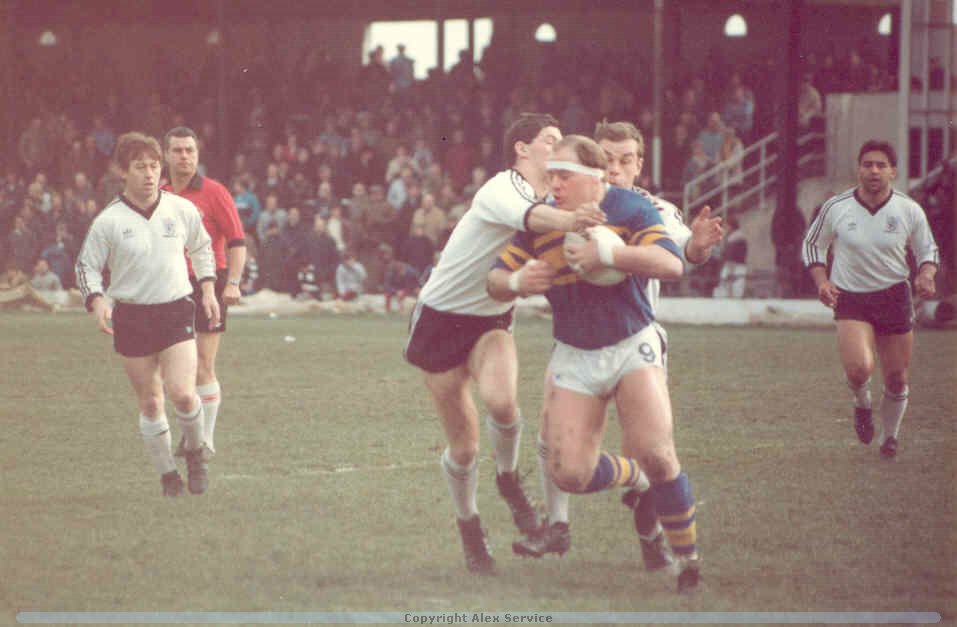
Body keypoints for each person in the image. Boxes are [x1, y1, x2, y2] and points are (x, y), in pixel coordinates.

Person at [488, 135, 702, 593]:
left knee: (658, 452)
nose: (554, 184)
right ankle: (637, 479)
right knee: (569, 473)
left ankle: (688, 563)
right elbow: (495, 279)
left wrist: (610, 254)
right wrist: (517, 281)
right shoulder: (544, 221)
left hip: (631, 344)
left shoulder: (630, 208)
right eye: (551, 176)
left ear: (595, 177)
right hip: (574, 353)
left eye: (564, 175)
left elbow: (671, 264)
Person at [404, 113, 606, 575]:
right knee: (464, 448)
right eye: (550, 140)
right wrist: (575, 219)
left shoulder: (554, 197)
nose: (558, 148)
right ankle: (470, 527)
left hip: (491, 316)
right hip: (440, 320)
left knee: (503, 402)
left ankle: (509, 479)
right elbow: (534, 219)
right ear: (521, 148)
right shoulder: (502, 188)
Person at [74, 131, 220, 497]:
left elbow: (202, 247)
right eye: (140, 167)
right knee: (152, 402)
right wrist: (97, 301)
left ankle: (196, 453)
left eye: (155, 166)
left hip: (175, 310)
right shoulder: (109, 221)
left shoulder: (180, 209)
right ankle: (168, 475)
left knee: (183, 394)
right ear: (123, 171)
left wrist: (207, 289)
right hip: (132, 317)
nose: (150, 174)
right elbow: (86, 266)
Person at [802, 140, 939, 458]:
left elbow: (927, 250)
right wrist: (822, 281)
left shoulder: (908, 209)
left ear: (893, 172)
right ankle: (862, 403)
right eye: (867, 165)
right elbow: (812, 245)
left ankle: (890, 438)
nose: (874, 171)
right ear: (858, 169)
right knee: (859, 369)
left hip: (894, 296)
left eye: (881, 165)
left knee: (896, 377)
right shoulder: (836, 207)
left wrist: (926, 274)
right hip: (851, 297)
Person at [163, 126, 247, 469]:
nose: (184, 156)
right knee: (173, 368)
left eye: (190, 150)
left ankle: (204, 440)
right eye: (178, 150)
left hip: (207, 282)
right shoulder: (160, 193)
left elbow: (237, 241)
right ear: (166, 155)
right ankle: (192, 431)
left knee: (202, 364)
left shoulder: (214, 192)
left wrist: (234, 283)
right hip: (167, 284)